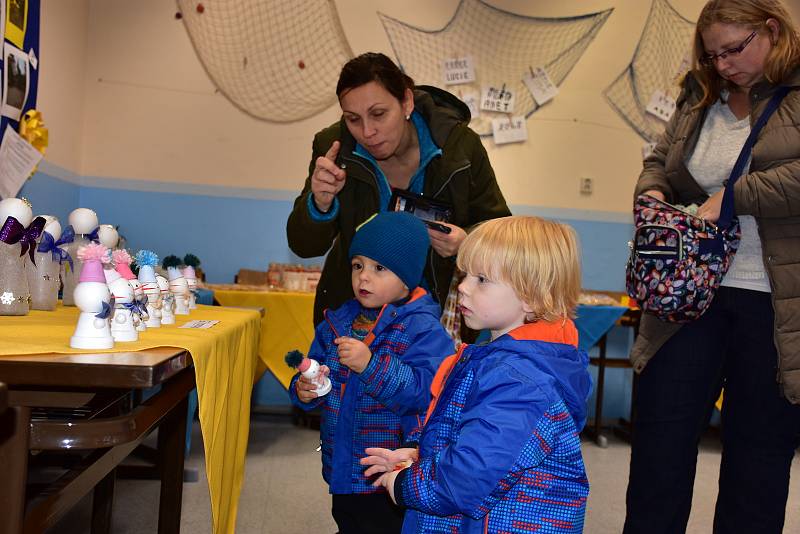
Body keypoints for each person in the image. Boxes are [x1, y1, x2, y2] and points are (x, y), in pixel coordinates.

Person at [624, 1, 800, 532]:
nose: (722, 64)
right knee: (659, 449)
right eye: (712, 53)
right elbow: (660, 160)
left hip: (774, 304)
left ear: (771, 28)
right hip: (686, 296)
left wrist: (734, 197)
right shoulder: (699, 93)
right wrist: (651, 192)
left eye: (733, 50)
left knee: (758, 463)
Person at [361, 216, 592, 533]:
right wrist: (421, 456)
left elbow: (468, 478)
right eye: (465, 274)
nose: (464, 287)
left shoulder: (521, 381)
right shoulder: (500, 360)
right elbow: (473, 438)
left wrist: (405, 485)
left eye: (482, 279)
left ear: (532, 296)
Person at [286, 52, 510, 332]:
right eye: (353, 119)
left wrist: (466, 245)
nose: (368, 132)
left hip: (435, 327)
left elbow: (501, 234)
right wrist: (319, 203)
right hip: (352, 323)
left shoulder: (460, 148)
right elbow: (303, 246)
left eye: (379, 114)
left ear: (406, 102)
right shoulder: (334, 149)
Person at [288, 211, 454, 534]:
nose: (364, 277)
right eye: (357, 265)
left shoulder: (423, 329)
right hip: (342, 466)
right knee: (348, 523)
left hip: (388, 472)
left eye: (379, 268)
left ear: (406, 277)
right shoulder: (337, 322)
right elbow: (316, 371)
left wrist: (371, 365)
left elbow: (425, 393)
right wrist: (304, 389)